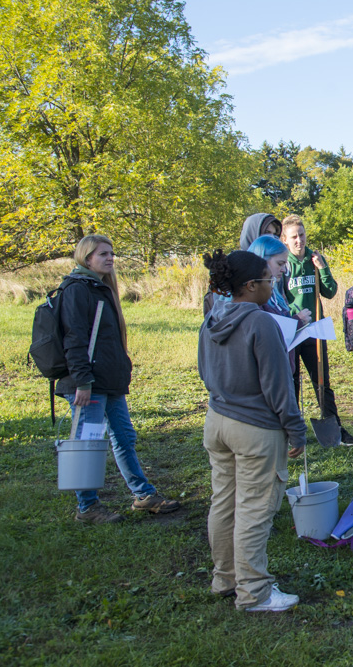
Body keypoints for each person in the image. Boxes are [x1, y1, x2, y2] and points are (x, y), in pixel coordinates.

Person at [199, 249, 306, 612]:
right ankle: (254, 593)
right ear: (250, 286)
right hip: (255, 429)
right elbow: (279, 386)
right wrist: (296, 430)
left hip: (217, 421)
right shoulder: (261, 323)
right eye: (268, 280)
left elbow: (204, 371)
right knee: (254, 509)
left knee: (224, 502)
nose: (271, 285)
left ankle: (225, 578)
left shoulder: (213, 316)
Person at [58, 235, 181, 523]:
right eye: (103, 254)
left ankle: (143, 494)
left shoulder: (100, 288)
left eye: (112, 253)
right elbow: (74, 339)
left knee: (124, 437)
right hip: (89, 383)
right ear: (87, 257)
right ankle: (87, 508)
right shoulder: (78, 289)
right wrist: (83, 383)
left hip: (109, 380)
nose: (110, 258)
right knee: (87, 442)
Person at [280, 214, 353, 445]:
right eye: (293, 237)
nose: (298, 241)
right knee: (291, 381)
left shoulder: (315, 259)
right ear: (285, 239)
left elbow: (331, 291)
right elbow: (279, 297)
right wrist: (295, 314)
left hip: (315, 330)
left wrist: (322, 268)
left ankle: (336, 429)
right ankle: (292, 434)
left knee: (322, 381)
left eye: (301, 235)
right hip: (292, 330)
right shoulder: (283, 263)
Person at [247, 235, 312, 374]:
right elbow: (266, 335)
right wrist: (298, 322)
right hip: (269, 375)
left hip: (282, 371)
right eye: (280, 264)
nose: (283, 270)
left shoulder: (275, 292)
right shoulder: (253, 298)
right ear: (262, 260)